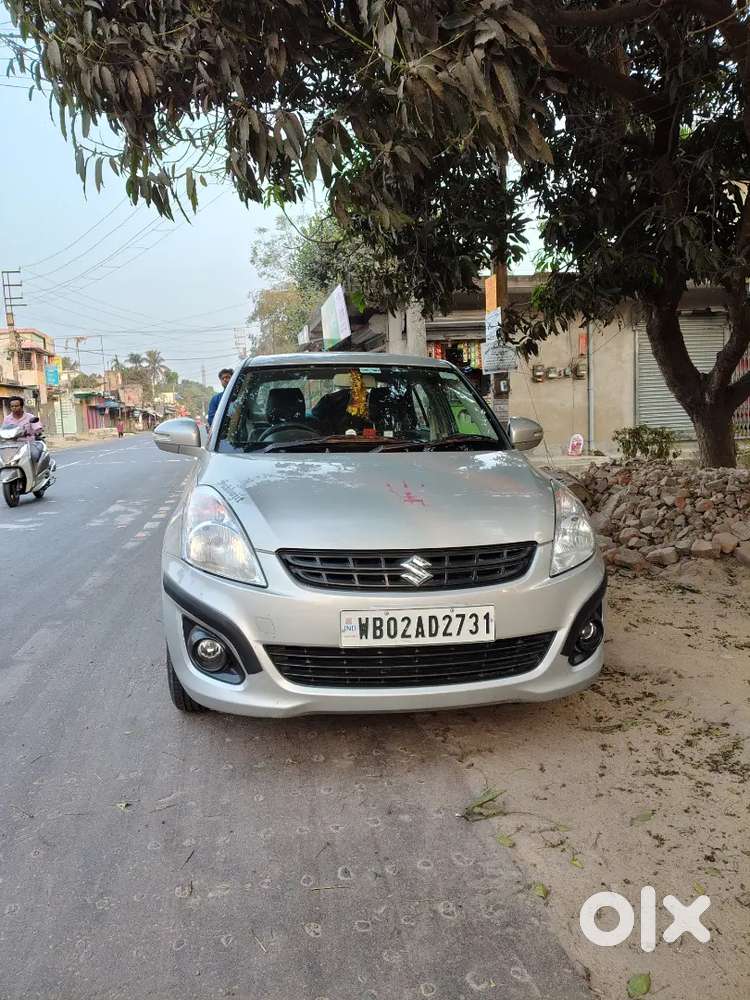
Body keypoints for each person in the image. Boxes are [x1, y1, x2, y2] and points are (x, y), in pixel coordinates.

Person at [2, 396, 44, 463]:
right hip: (12, 446)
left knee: (34, 456)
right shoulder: (7, 419)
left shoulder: (30, 417)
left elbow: (38, 428)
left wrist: (36, 432)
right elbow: (3, 430)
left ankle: (33, 472)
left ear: (21, 406)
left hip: (28, 444)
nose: (14, 408)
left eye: (16, 406)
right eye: (12, 406)